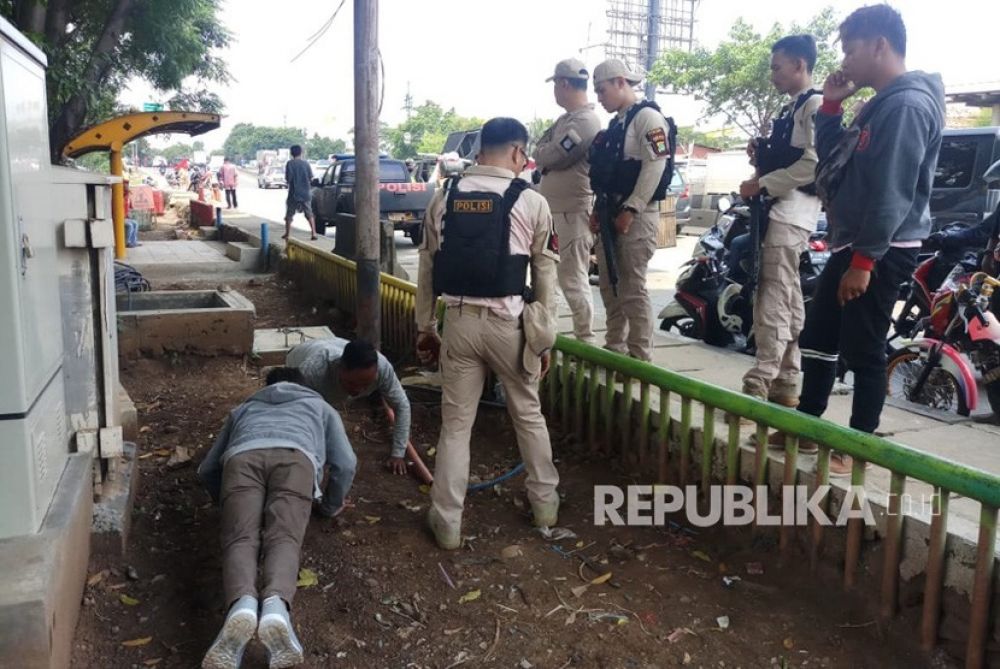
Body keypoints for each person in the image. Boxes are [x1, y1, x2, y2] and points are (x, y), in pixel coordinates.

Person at [777, 5, 944, 475]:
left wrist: (866, 262)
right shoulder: (881, 102)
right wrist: (830, 107)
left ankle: (860, 446)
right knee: (819, 334)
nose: (844, 61)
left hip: (883, 247)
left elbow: (893, 189)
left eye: (850, 50)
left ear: (879, 45)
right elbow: (836, 164)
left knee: (865, 346)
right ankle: (810, 426)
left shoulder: (908, 105)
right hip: (856, 243)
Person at [414, 117, 561, 550]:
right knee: (528, 415)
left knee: (456, 428)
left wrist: (426, 326)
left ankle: (447, 523)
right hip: (509, 326)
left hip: (457, 324)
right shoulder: (532, 201)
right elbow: (546, 274)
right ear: (519, 153)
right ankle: (544, 507)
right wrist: (543, 337)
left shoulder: (445, 196)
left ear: (480, 151)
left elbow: (427, 265)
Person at [197, 367, 356, 669]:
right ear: (304, 386)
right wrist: (330, 505)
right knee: (283, 538)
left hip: (242, 458)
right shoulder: (320, 406)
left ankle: (241, 604)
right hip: (296, 458)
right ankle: (275, 606)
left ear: (266, 386)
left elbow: (207, 469)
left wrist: (227, 503)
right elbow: (346, 463)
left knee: (240, 539)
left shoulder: (243, 409)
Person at [736, 35, 823, 413]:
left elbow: (812, 164)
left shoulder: (814, 104)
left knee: (772, 297)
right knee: (786, 297)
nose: (772, 75)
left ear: (799, 65)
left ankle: (760, 381)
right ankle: (786, 381)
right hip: (782, 212)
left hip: (792, 213)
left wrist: (764, 183)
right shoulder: (795, 108)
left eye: (777, 67)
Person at [588, 59, 674, 362]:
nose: (599, 97)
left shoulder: (648, 118)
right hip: (611, 209)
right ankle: (615, 347)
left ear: (620, 82)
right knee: (610, 286)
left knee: (632, 288)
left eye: (602, 90)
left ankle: (640, 357)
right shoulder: (617, 124)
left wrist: (632, 208)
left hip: (636, 214)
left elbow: (656, 165)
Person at [535, 58, 603, 344]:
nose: (554, 92)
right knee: (548, 278)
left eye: (556, 85)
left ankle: (585, 339)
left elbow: (550, 156)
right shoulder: (565, 120)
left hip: (573, 212)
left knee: (573, 280)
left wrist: (544, 153)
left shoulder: (586, 121)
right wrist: (543, 152)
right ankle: (549, 334)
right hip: (554, 212)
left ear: (564, 84)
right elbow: (539, 150)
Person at [286, 337, 412, 475]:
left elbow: (401, 405)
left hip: (331, 346)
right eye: (352, 383)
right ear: (340, 368)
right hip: (297, 357)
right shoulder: (313, 372)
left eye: (366, 384)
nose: (358, 390)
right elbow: (293, 410)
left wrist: (398, 453)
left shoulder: (383, 369)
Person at [283, 145, 317, 241]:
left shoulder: (290, 164)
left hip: (294, 193)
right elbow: (311, 177)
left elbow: (288, 179)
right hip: (306, 192)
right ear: (301, 152)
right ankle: (314, 233)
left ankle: (287, 234)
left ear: (291, 153)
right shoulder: (306, 164)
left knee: (289, 213)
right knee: (309, 213)